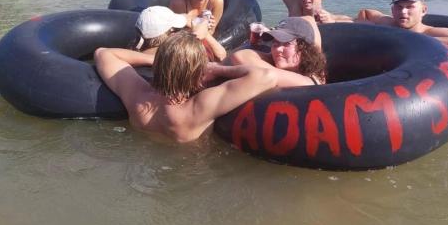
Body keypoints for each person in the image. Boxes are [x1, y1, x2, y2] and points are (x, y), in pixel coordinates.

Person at [94, 31, 315, 143]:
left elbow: (103, 53)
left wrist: (163, 61)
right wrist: (219, 70)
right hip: (193, 170)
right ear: (196, 72)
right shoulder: (198, 107)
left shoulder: (138, 96)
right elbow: (265, 76)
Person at [230, 16, 327, 85]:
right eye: (275, 43)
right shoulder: (282, 66)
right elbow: (242, 55)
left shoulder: (308, 81)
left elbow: (240, 57)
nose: (278, 49)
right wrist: (273, 55)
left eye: (287, 43)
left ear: (304, 49)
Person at [133, 5, 226, 61]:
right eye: (174, 29)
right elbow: (221, 56)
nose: (176, 31)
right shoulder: (177, 55)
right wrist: (205, 34)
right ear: (170, 33)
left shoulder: (134, 55)